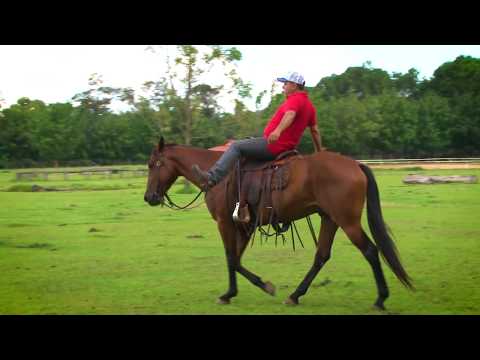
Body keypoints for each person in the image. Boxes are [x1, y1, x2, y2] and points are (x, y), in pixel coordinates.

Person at [192, 71, 322, 191]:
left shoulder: (294, 99)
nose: (283, 87)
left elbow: (290, 114)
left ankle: (211, 178)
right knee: (248, 142)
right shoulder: (310, 106)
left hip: (273, 145)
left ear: (294, 85)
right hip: (288, 149)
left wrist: (277, 131)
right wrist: (319, 151)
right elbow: (315, 131)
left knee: (236, 146)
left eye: (285, 83)